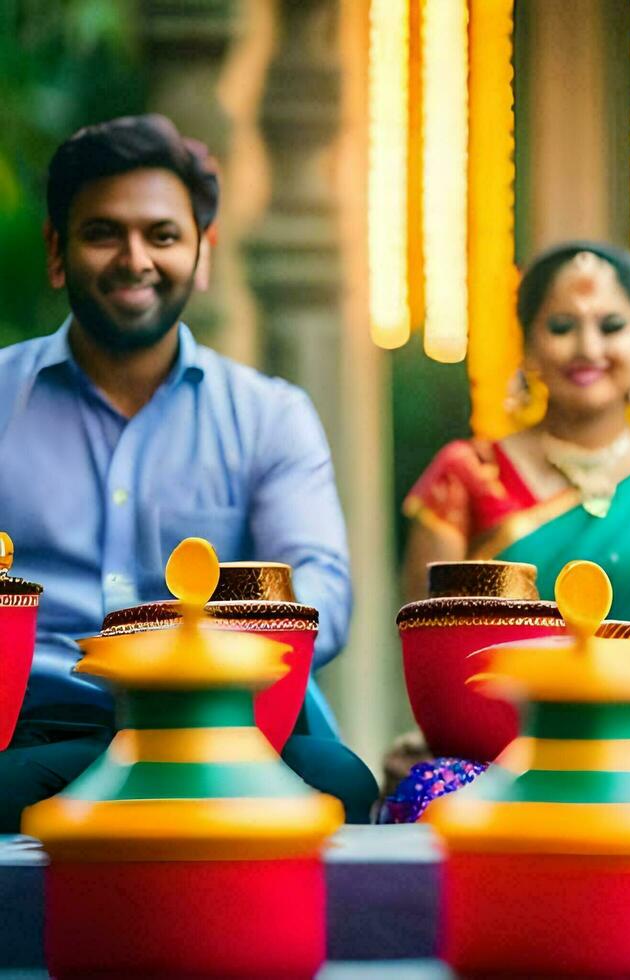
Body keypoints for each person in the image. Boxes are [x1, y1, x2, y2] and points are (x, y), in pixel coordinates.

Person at [0, 115, 377, 829]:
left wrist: (202, 658)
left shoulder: (270, 415)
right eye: (102, 232)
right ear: (57, 251)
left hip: (226, 727)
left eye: (163, 235)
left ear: (203, 255)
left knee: (337, 783)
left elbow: (321, 590)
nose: (134, 258)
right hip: (39, 729)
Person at [384, 241, 630, 821]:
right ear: (529, 346)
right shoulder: (466, 477)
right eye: (562, 326)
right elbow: (435, 658)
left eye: (611, 325)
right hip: (505, 757)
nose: (588, 347)